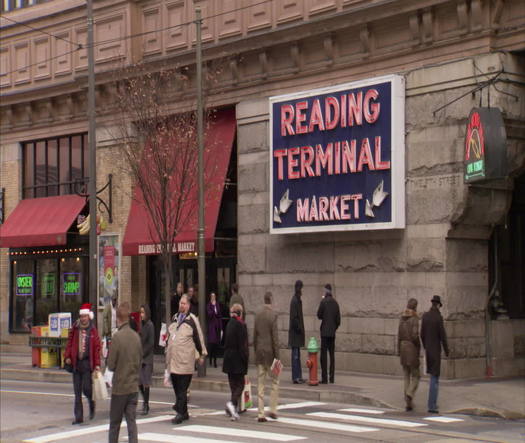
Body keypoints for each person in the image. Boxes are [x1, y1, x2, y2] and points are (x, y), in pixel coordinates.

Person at [166, 294, 207, 424]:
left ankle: (179, 412)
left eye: (184, 303)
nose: (181, 305)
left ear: (188, 305)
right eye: (180, 303)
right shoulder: (174, 318)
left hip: (185, 361)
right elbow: (169, 335)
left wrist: (202, 354)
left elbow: (198, 338)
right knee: (177, 388)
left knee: (182, 389)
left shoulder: (192, 320)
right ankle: (184, 412)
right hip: (173, 361)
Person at [107, 302, 143, 443]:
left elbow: (110, 365)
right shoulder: (136, 337)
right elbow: (140, 360)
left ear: (118, 318)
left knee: (115, 424)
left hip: (120, 388)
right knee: (131, 423)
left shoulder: (117, 337)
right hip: (133, 387)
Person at [64, 303, 101, 425]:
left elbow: (96, 348)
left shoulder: (93, 330)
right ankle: (78, 417)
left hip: (87, 363)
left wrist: (97, 365)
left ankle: (91, 403)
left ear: (89, 317)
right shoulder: (75, 328)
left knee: (86, 388)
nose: (83, 318)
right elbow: (69, 343)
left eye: (85, 316)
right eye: (82, 316)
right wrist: (67, 356)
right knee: (77, 391)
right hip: (76, 363)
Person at [254, 291, 280, 423]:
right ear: (271, 300)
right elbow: (275, 338)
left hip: (259, 353)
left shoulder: (257, 315)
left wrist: (255, 353)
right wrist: (278, 357)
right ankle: (273, 409)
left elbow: (254, 336)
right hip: (271, 354)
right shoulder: (273, 315)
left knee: (260, 384)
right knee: (275, 381)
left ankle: (260, 413)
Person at [421, 295, 450, 414]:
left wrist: (425, 345)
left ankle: (432, 404)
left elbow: (422, 334)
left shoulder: (425, 316)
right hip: (436, 350)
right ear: (438, 305)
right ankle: (432, 405)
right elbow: (443, 336)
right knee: (434, 378)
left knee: (432, 376)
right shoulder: (438, 318)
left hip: (428, 350)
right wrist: (447, 350)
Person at [222, 303, 249, 421]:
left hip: (228, 358)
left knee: (233, 385)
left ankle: (233, 411)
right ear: (240, 313)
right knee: (240, 384)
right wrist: (245, 359)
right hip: (237, 359)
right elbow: (243, 345)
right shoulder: (241, 325)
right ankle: (232, 404)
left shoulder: (228, 324)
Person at [398, 298, 421, 411]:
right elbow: (415, 335)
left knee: (406, 375)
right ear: (415, 306)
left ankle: (408, 403)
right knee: (416, 375)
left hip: (403, 347)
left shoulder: (401, 317)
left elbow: (398, 335)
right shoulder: (414, 318)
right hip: (411, 348)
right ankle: (410, 393)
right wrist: (418, 346)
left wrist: (398, 350)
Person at [317, 283, 341, 384]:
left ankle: (324, 378)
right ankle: (332, 378)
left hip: (324, 333)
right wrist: (334, 328)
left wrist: (325, 318)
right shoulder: (336, 303)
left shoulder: (323, 302)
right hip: (332, 333)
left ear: (326, 292)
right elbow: (338, 320)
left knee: (323, 356)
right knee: (332, 355)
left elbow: (319, 315)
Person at [288, 280, 305, 384]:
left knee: (297, 355)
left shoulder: (297, 300)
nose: (302, 290)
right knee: (295, 356)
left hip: (297, 334)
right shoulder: (294, 301)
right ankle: (296, 377)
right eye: (301, 288)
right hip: (295, 334)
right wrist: (299, 328)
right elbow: (294, 318)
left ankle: (299, 376)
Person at [139, 304, 154, 415]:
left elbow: (151, 343)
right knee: (139, 381)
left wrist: (143, 353)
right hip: (140, 357)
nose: (141, 315)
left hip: (147, 357)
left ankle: (146, 404)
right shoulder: (140, 325)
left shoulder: (150, 325)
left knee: (146, 382)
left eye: (143, 312)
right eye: (140, 312)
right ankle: (144, 400)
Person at [207, 292, 222, 368]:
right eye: (212, 297)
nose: (213, 298)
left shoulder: (217, 304)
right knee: (211, 344)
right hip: (211, 327)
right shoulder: (209, 305)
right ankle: (210, 359)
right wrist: (213, 308)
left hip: (217, 326)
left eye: (214, 296)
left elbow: (219, 314)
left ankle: (215, 361)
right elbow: (209, 314)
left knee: (216, 344)